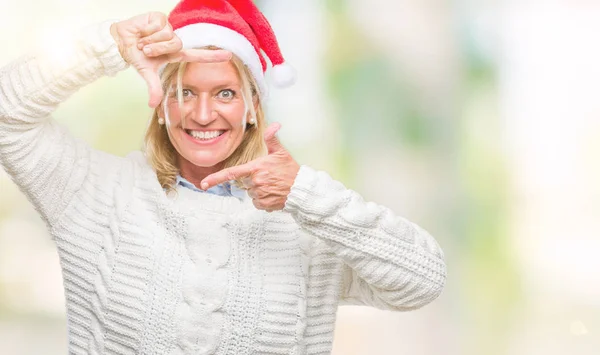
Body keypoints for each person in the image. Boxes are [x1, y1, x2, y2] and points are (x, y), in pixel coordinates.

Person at [0, 0, 446, 354]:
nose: (203, 114)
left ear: (253, 104)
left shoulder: (306, 219)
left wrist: (305, 194)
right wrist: (107, 48)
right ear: (160, 101)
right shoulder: (95, 192)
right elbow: (7, 115)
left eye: (226, 93)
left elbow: (420, 281)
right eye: (185, 92)